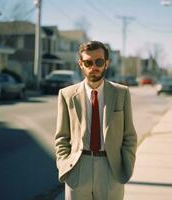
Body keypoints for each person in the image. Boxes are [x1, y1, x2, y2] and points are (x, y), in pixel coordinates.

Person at [54, 40, 137, 200]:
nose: (94, 66)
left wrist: (126, 167)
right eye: (88, 62)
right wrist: (64, 165)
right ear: (80, 64)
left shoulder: (122, 93)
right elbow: (61, 137)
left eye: (99, 61)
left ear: (106, 63)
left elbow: (129, 136)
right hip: (78, 169)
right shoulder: (67, 95)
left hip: (110, 168)